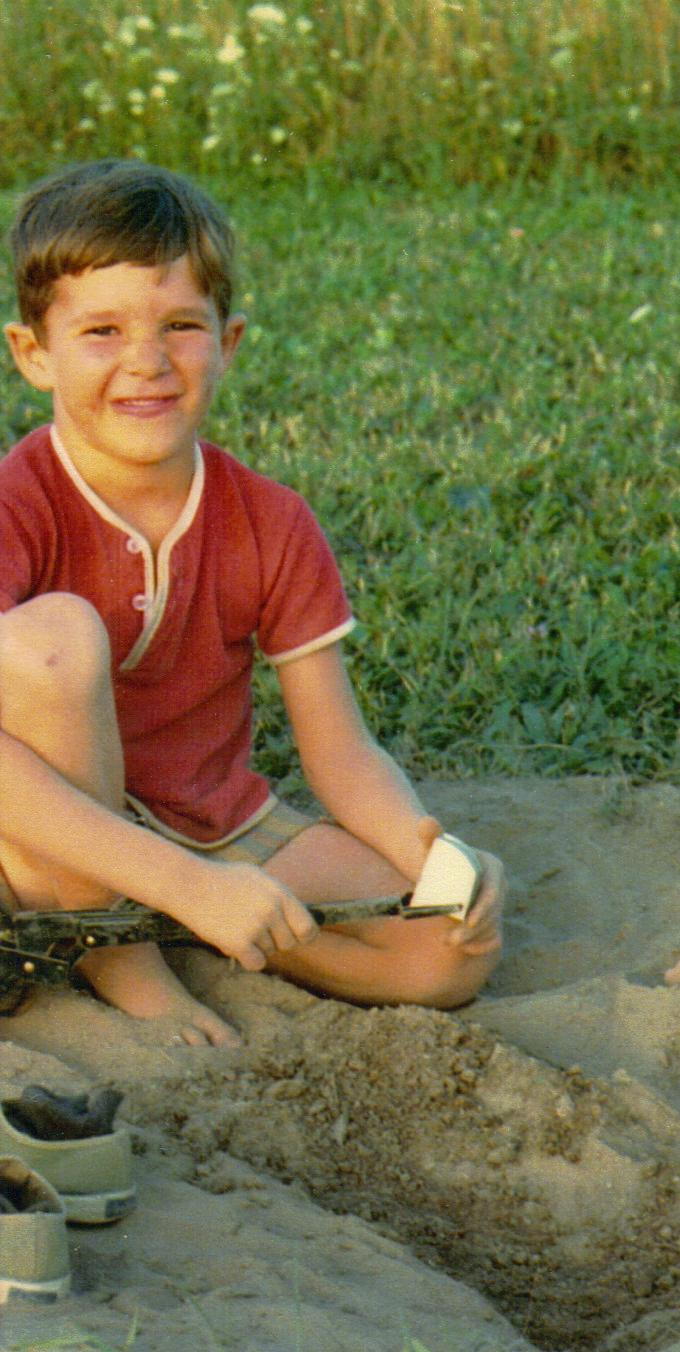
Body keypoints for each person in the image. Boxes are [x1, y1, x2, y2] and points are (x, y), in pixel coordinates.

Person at [0, 160, 503, 1047]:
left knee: (445, 959)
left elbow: (340, 751)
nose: (147, 361)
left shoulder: (271, 519)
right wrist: (181, 883)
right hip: (48, 834)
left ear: (228, 342)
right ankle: (123, 956)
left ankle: (185, 919)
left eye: (181, 326)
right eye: (103, 330)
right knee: (53, 639)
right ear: (33, 352)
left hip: (211, 822)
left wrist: (434, 856)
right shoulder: (18, 501)